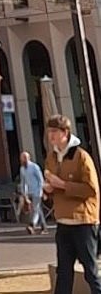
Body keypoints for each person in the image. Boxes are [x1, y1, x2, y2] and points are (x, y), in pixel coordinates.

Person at [43, 114, 101, 294]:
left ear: (65, 133)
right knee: (64, 274)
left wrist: (62, 185)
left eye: (54, 131)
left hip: (83, 222)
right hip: (63, 222)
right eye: (49, 131)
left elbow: (91, 189)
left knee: (90, 272)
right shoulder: (51, 158)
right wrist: (47, 189)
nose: (51, 136)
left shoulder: (81, 156)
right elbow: (52, 188)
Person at [18, 150, 47, 235]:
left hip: (37, 191)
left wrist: (42, 190)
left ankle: (32, 225)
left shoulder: (34, 167)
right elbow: (23, 182)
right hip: (29, 192)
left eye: (25, 158)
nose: (24, 160)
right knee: (37, 209)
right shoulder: (22, 169)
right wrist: (24, 194)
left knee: (35, 208)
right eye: (22, 158)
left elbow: (40, 179)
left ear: (28, 158)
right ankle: (44, 227)